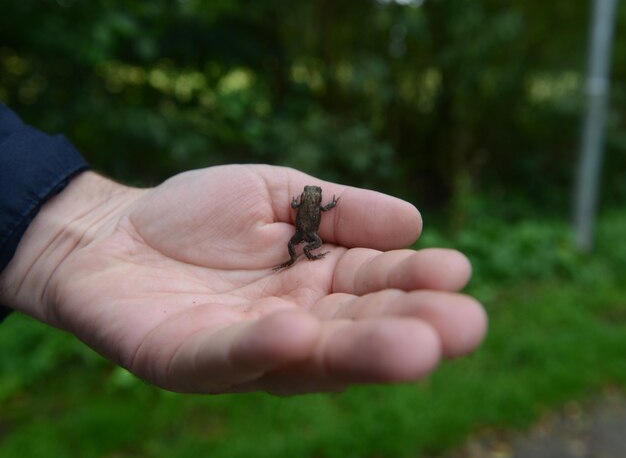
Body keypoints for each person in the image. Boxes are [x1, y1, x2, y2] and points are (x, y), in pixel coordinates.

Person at [0, 103, 487, 395]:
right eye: (313, 198)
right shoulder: (308, 203)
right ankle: (305, 255)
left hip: (307, 237)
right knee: (303, 243)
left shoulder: (307, 204)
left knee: (303, 242)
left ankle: (304, 255)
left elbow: (311, 203)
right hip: (308, 237)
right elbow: (312, 202)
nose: (312, 199)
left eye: (315, 199)